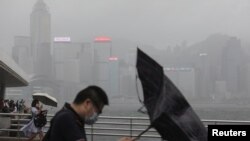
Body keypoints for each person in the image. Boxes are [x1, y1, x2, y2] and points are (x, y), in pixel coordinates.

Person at [43, 86, 133, 141]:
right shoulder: (66, 118)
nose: (97, 115)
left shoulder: (74, 119)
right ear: (88, 103)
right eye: (98, 111)